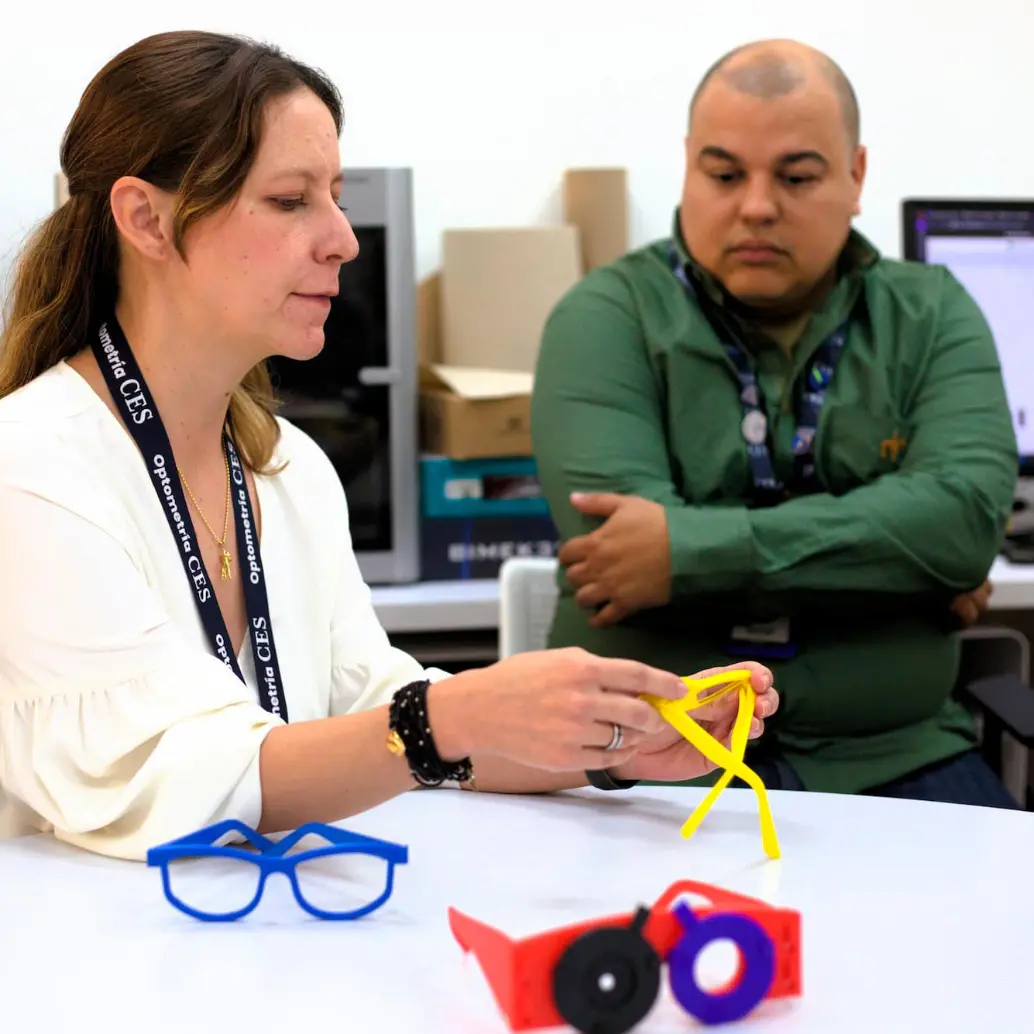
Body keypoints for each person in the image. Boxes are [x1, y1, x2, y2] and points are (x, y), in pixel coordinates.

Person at [0, 31, 778, 862]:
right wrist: (449, 718)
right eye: (293, 200)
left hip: (250, 946)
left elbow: (375, 713)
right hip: (90, 965)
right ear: (145, 219)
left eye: (335, 196)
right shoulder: (33, 470)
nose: (344, 238)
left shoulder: (289, 469)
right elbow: (173, 778)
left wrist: (613, 747)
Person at [531, 39, 1019, 806]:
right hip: (648, 761)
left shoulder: (933, 314)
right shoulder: (605, 316)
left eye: (796, 176)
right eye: (724, 175)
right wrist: (897, 568)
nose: (757, 205)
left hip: (897, 755)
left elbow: (960, 527)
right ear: (689, 165)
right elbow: (617, 560)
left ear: (855, 177)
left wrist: (686, 552)